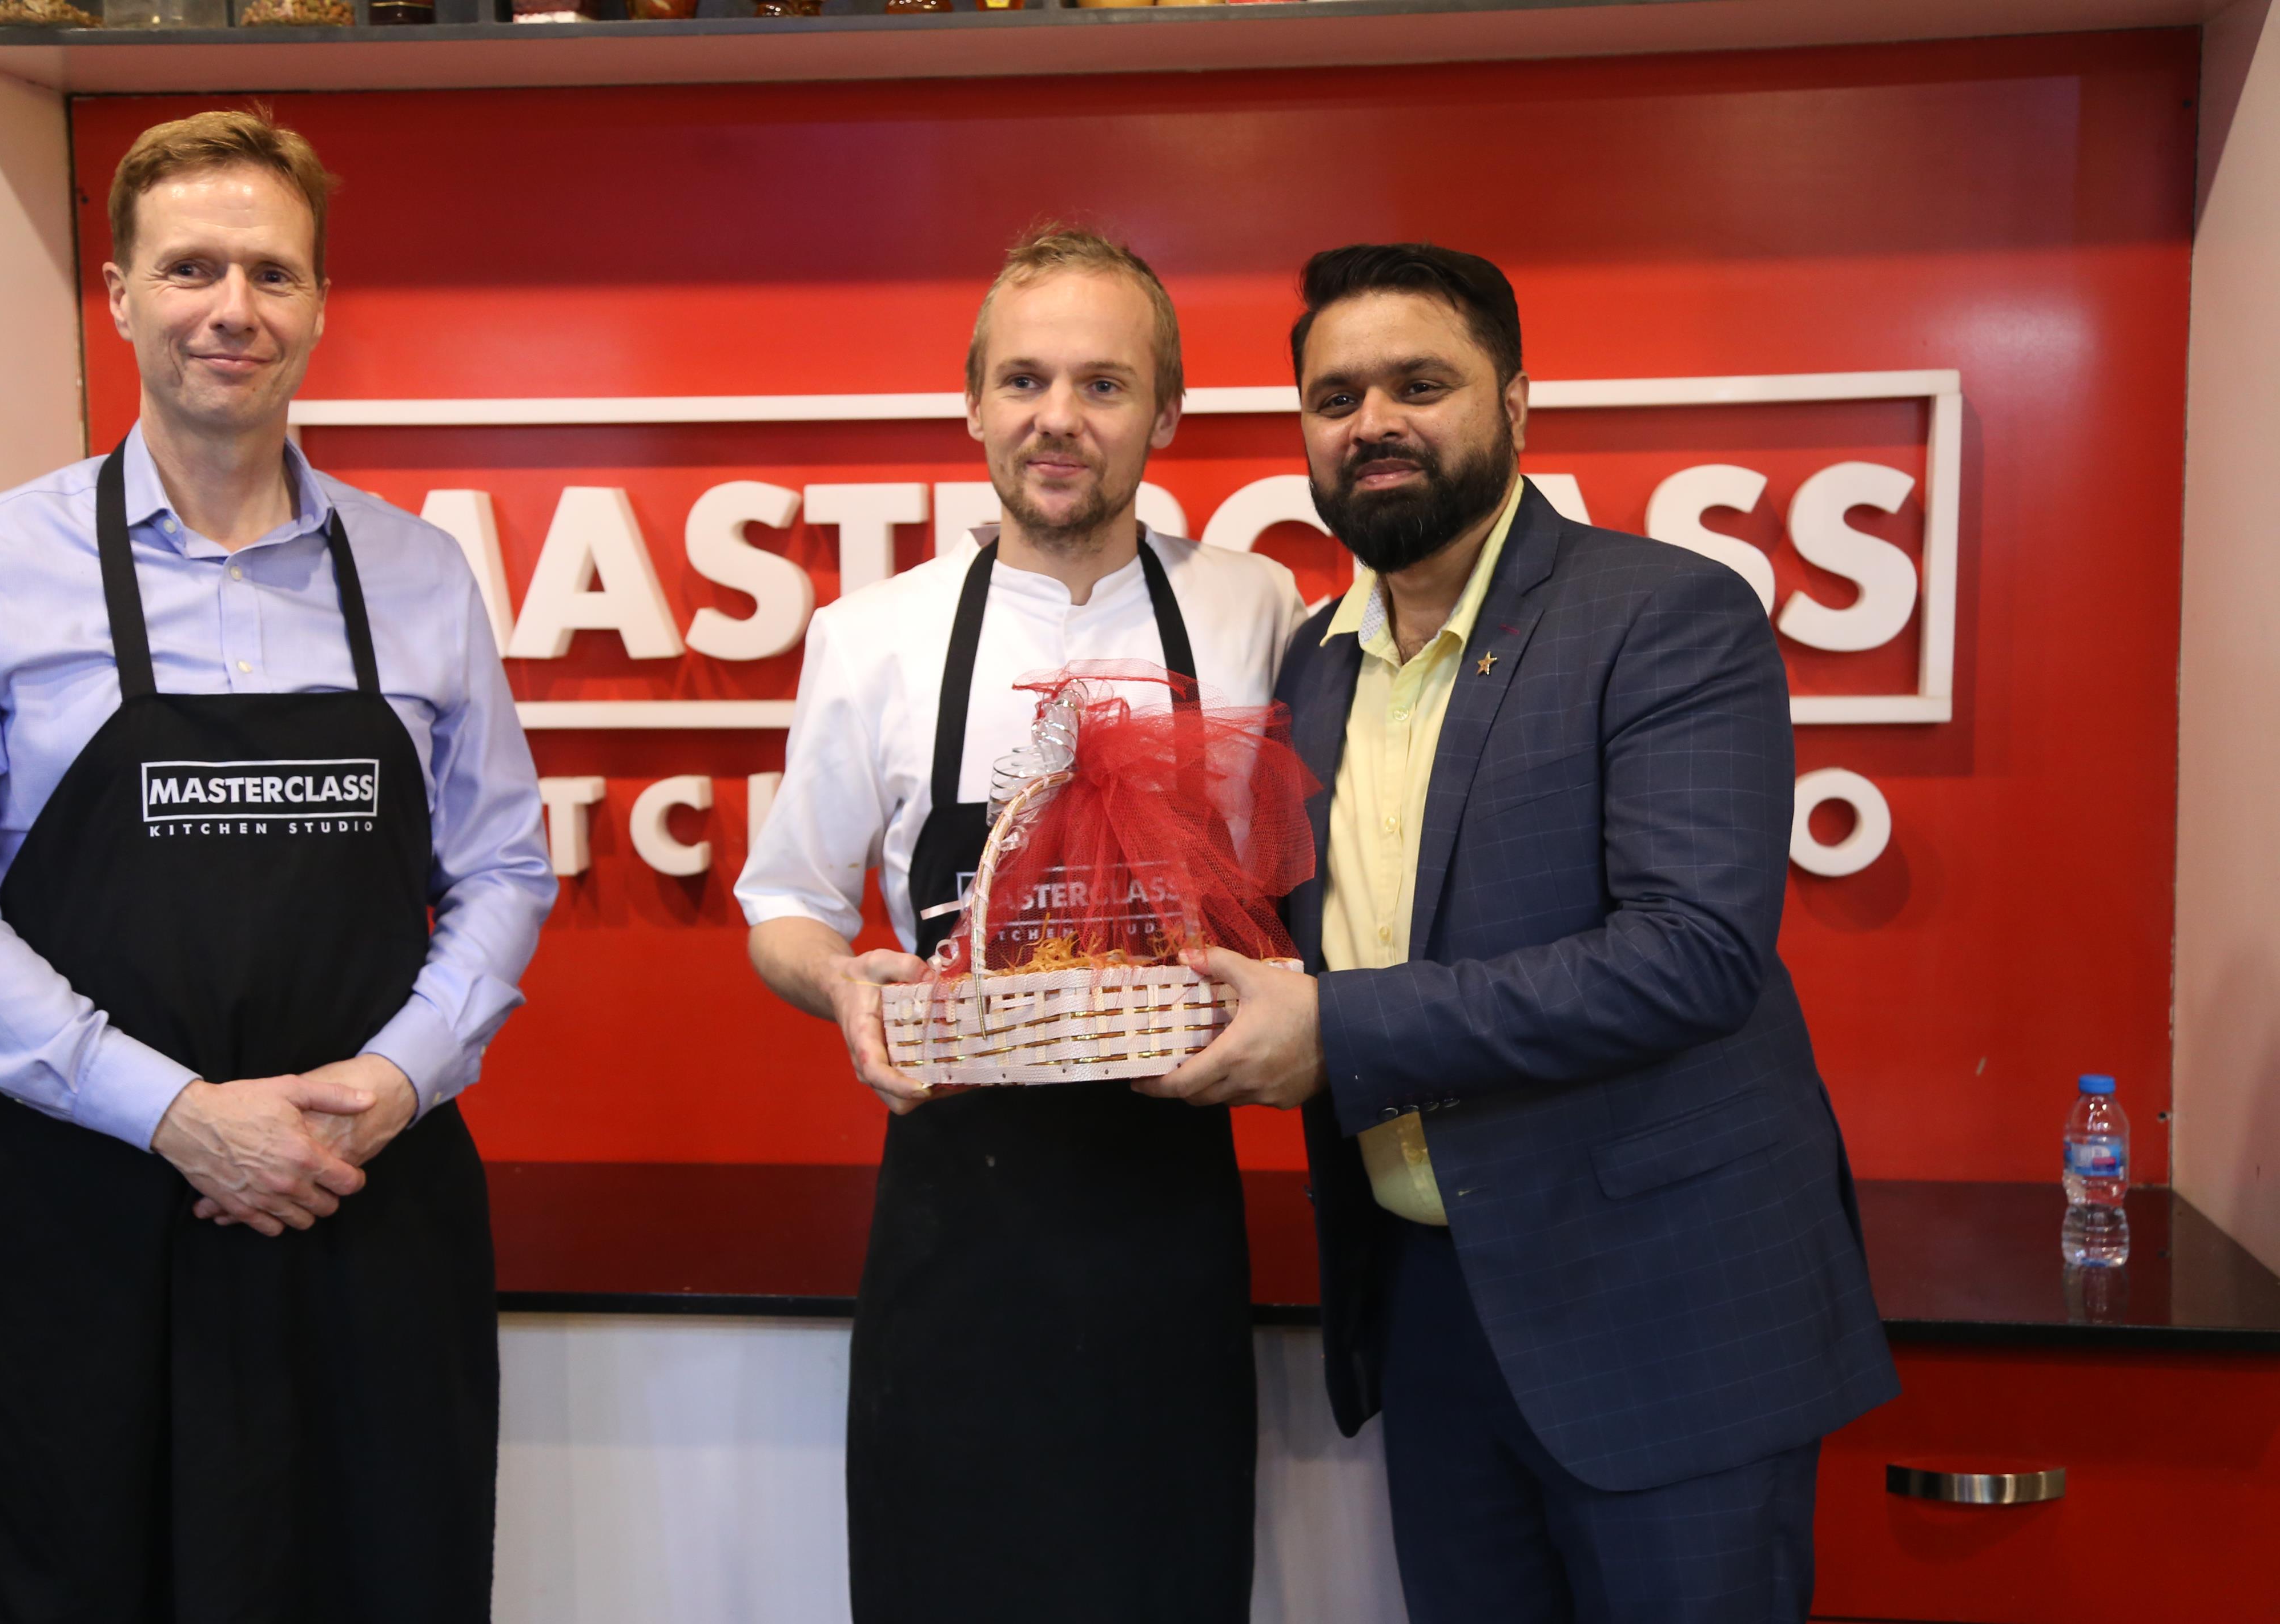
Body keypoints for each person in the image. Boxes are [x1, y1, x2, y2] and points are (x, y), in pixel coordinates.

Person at [0, 109, 554, 1622]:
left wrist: (400, 1077)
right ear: (117, 293)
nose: (232, 308)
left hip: (366, 1207)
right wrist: (173, 1112)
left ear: (318, 304)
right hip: (85, 1219)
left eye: (271, 273)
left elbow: (505, 865)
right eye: (189, 268)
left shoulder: (417, 571)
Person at [1141, 243, 1898, 1622]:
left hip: (1661, 1313)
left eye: (1419, 384)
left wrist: (1333, 1028)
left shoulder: (1665, 613)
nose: (1373, 422)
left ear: (1516, 403)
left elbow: (1690, 955)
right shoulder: (1316, 662)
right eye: (1335, 397)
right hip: (1429, 1309)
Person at [737, 225, 1306, 1624]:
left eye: (1104, 385)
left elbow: (1298, 883)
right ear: (974, 403)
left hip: (1168, 1199)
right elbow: (783, 905)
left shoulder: (1252, 606)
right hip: (957, 1219)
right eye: (1025, 380)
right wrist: (845, 987)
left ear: (1164, 415)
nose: (1059, 417)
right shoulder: (873, 634)